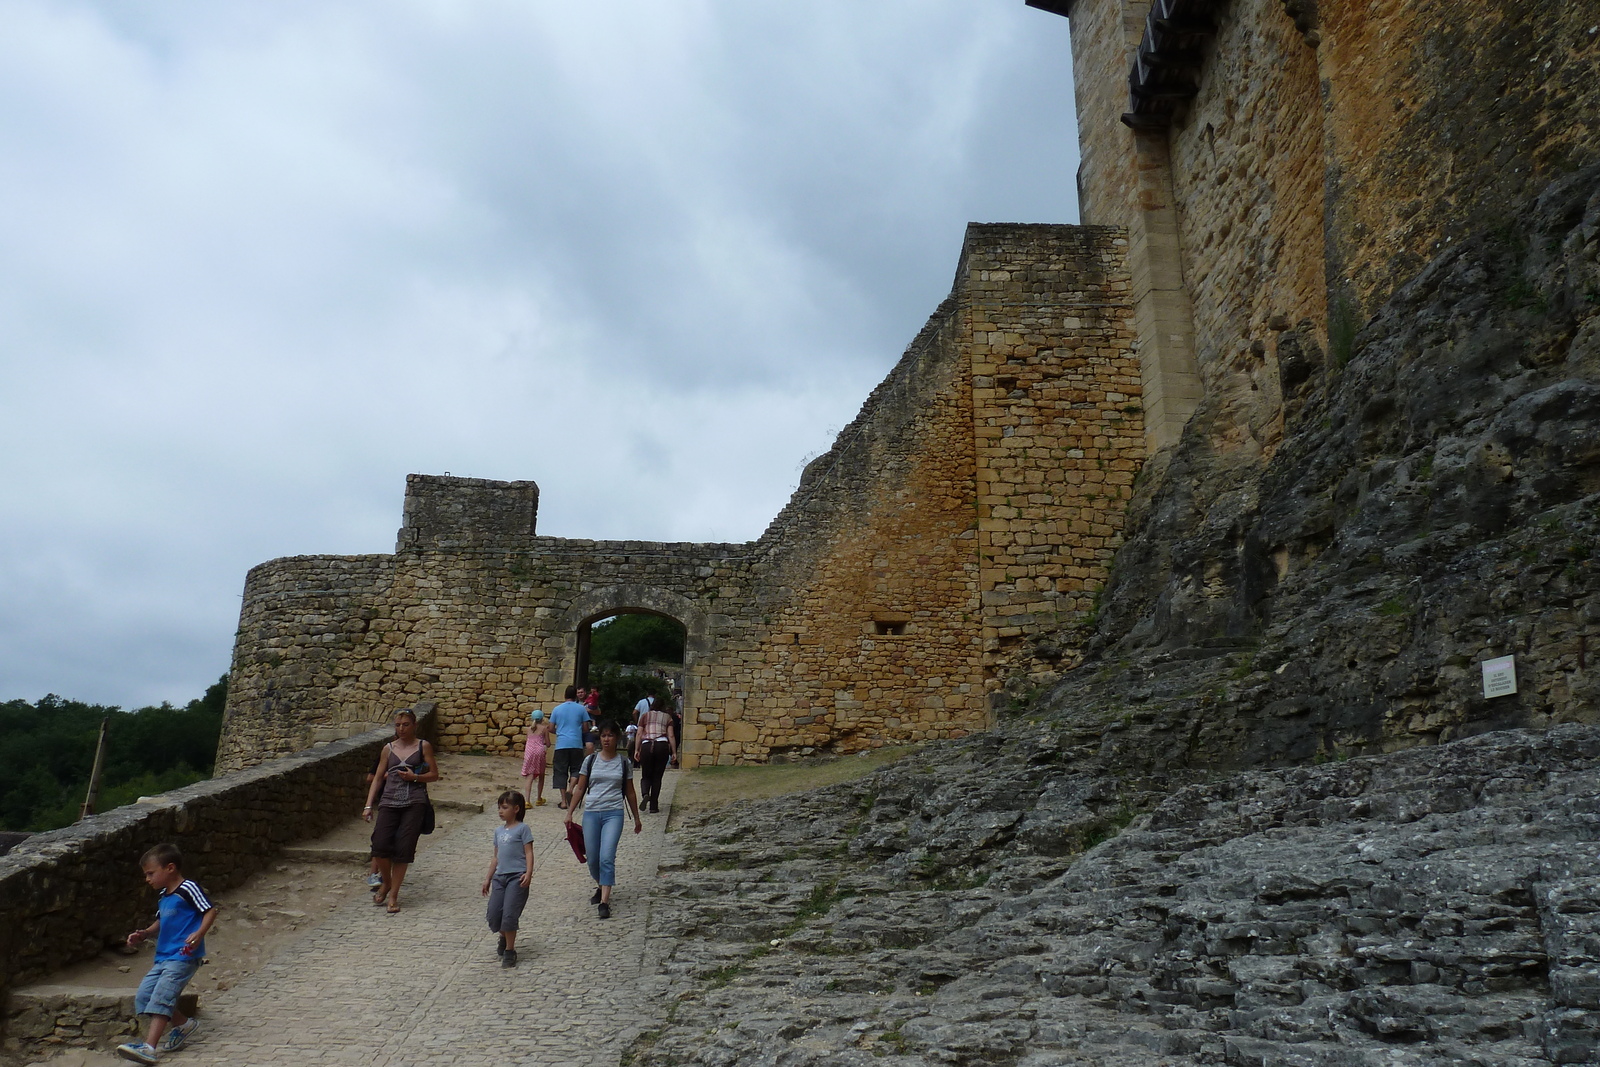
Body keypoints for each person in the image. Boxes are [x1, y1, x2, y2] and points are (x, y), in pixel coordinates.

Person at [116, 843, 217, 1064]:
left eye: (151, 873)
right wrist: (144, 934)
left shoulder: (188, 888)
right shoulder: (164, 895)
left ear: (170, 868)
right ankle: (183, 1024)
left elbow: (210, 910)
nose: (147, 879)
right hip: (163, 956)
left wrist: (199, 934)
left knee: (162, 996)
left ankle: (149, 1048)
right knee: (144, 995)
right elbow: (162, 921)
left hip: (183, 955)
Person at [362, 708, 439, 913]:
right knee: (379, 845)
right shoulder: (388, 748)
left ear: (414, 725)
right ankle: (386, 882)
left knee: (404, 850)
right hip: (389, 800)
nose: (401, 728)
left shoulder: (423, 746)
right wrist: (369, 805)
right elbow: (377, 777)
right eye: (398, 725)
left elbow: (434, 774)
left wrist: (415, 777)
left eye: (405, 724)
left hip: (414, 802)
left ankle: (393, 894)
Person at [564, 721, 642, 919]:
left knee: (607, 856)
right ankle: (601, 884)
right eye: (604, 735)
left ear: (617, 738)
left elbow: (630, 791)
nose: (606, 739)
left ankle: (605, 902)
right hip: (592, 812)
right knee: (593, 857)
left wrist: (637, 818)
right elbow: (580, 788)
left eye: (610, 735)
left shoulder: (624, 763)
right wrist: (569, 812)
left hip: (613, 813)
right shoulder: (590, 761)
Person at [481, 790, 534, 968]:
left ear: (516, 809)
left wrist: (529, 872)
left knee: (510, 914)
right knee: (494, 914)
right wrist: (488, 877)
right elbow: (496, 857)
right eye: (499, 808)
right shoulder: (498, 831)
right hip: (499, 877)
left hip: (516, 877)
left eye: (505, 807)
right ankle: (502, 936)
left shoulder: (523, 829)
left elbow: (529, 852)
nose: (500, 811)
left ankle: (510, 950)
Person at [549, 686, 592, 810]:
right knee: (576, 769)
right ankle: (571, 788)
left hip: (561, 744)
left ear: (564, 695)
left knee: (560, 771)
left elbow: (551, 728)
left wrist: (560, 731)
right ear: (575, 696)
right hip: (576, 743)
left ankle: (563, 801)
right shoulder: (581, 709)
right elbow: (585, 728)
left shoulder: (557, 709)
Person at [633, 696, 677, 814]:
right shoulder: (668, 717)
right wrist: (674, 752)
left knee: (646, 775)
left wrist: (637, 750)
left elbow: (639, 733)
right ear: (663, 707)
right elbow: (671, 735)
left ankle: (645, 793)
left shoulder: (644, 716)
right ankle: (653, 806)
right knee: (657, 777)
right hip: (661, 745)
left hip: (647, 745)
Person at [520, 710, 553, 806]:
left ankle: (527, 801)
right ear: (542, 718)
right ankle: (539, 798)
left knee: (529, 776)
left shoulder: (529, 729)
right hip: (539, 752)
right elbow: (548, 743)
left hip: (529, 753)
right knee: (541, 775)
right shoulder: (544, 729)